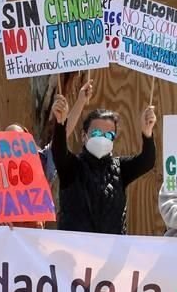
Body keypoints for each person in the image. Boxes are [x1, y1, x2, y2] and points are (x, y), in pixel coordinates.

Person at [49, 81, 158, 235]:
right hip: (75, 251)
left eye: (108, 135)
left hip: (110, 252)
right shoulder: (72, 167)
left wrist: (147, 133)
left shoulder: (120, 168)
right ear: (83, 136)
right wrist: (60, 124)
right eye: (96, 133)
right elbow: (58, 151)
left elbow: (146, 161)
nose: (102, 139)